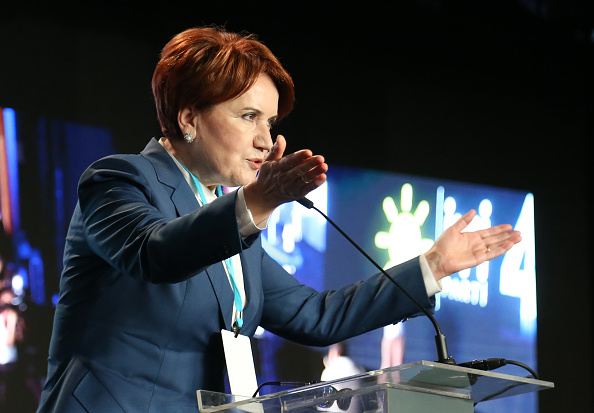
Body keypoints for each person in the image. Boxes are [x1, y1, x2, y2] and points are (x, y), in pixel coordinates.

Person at [36, 26, 521, 413]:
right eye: (248, 116)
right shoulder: (119, 179)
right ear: (188, 118)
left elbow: (317, 317)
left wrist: (434, 265)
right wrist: (259, 202)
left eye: (269, 122)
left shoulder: (229, 221)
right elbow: (154, 253)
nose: (266, 140)